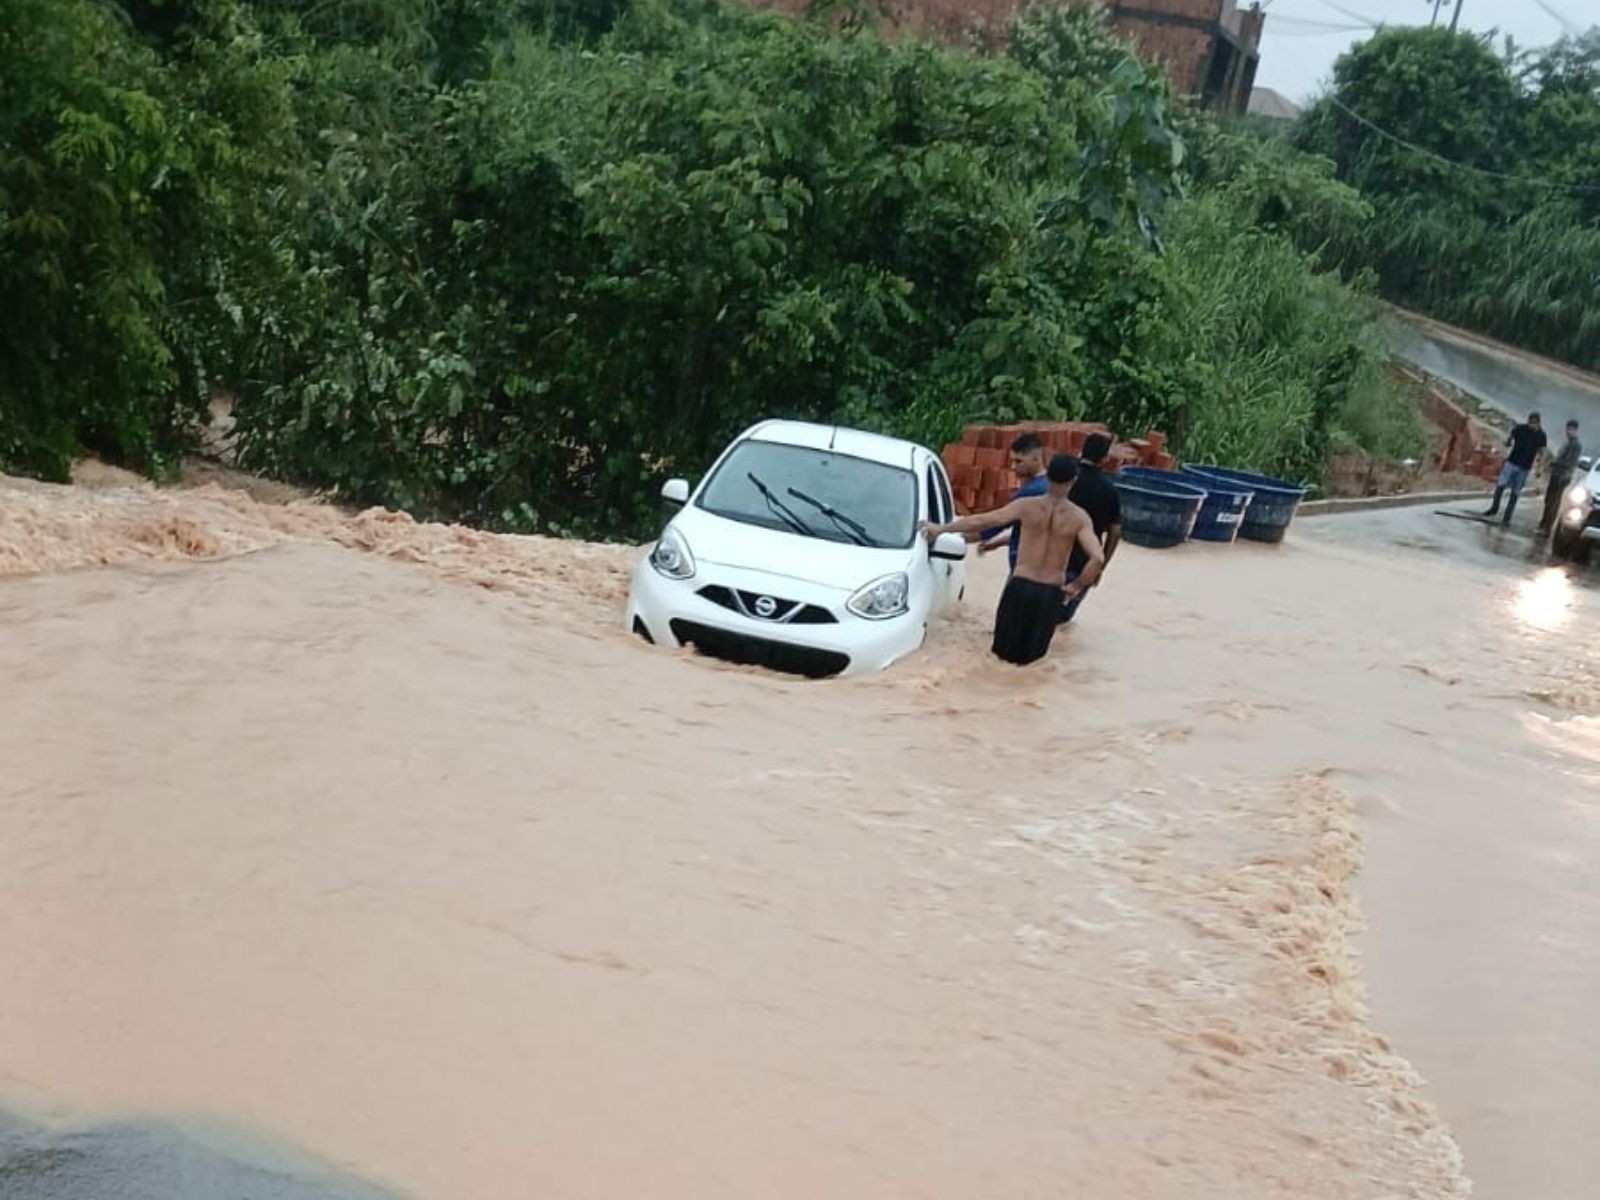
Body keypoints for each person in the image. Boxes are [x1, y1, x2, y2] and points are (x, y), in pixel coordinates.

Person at [921, 454, 1104, 666]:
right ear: (1074, 480)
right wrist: (1075, 587)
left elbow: (984, 520)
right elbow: (1097, 559)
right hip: (1049, 593)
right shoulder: (1079, 518)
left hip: (1019, 587)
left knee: (1000, 657)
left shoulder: (1026, 506)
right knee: (1032, 663)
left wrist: (941, 529)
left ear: (1048, 475)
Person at [1059, 432, 1122, 625]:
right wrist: (1099, 568)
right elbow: (1115, 532)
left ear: (1081, 451)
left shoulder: (1064, 479)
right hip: (1083, 566)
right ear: (1105, 459)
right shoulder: (1110, 491)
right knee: (1061, 622)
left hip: (1051, 558)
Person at [976, 432, 1048, 571]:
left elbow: (994, 524)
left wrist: (952, 534)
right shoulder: (1049, 485)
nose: (1014, 466)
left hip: (1025, 571)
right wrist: (999, 543)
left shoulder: (1031, 491)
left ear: (1036, 458)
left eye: (1019, 461)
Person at [1484, 412, 1546, 526]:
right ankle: (1494, 508)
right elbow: (1511, 434)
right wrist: (1508, 441)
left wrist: (1539, 468)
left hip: (1525, 467)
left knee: (1515, 492)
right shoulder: (1521, 429)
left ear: (1538, 423)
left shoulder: (1541, 436)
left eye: (1534, 423)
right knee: (1500, 485)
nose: (1531, 425)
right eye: (1530, 422)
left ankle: (1507, 517)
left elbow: (1541, 452)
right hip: (1512, 462)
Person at [1537, 419, 1584, 539]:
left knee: (1554, 502)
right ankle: (1543, 524)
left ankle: (1547, 527)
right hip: (1556, 474)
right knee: (1549, 500)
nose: (1569, 432)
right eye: (1568, 429)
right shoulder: (1567, 442)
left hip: (1563, 476)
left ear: (1575, 430)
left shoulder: (1576, 445)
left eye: (1571, 430)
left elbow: (1569, 462)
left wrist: (1554, 462)